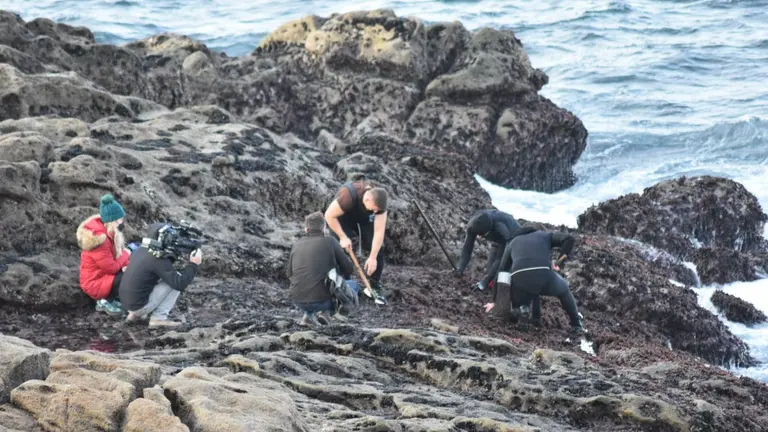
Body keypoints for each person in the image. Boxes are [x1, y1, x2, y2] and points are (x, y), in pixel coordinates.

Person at [485, 224, 586, 334]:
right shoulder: (545, 236)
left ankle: (521, 311)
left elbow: (502, 271)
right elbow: (569, 238)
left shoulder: (512, 243)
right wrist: (559, 261)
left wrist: (494, 301)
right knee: (564, 290)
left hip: (520, 279)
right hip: (544, 274)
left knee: (516, 308)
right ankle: (576, 325)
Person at [118, 223, 201, 327]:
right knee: (177, 279)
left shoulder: (141, 250)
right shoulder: (158, 258)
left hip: (126, 303)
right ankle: (158, 318)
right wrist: (194, 264)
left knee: (152, 277)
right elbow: (180, 283)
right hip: (138, 307)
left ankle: (134, 315)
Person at [287, 212, 358, 326]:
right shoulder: (330, 241)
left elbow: (289, 273)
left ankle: (308, 316)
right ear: (324, 228)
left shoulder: (297, 244)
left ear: (306, 229)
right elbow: (348, 268)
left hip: (298, 300)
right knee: (354, 285)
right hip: (322, 301)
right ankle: (328, 313)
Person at [324, 179, 388, 305]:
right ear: (368, 199)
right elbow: (329, 215)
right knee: (339, 249)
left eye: (377, 211)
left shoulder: (379, 204)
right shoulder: (348, 195)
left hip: (364, 219)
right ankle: (342, 284)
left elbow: (379, 232)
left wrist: (373, 257)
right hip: (342, 217)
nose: (376, 212)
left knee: (377, 247)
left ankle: (373, 286)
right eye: (374, 209)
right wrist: (342, 237)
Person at [76, 194, 131, 316]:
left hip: (102, 276)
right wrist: (126, 254)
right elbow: (110, 268)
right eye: (120, 219)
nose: (122, 222)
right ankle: (104, 301)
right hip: (93, 283)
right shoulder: (100, 240)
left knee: (129, 269)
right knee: (126, 275)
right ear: (113, 221)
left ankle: (111, 298)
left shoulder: (108, 233)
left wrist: (126, 263)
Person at [455, 209, 520, 291]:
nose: (480, 237)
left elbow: (500, 259)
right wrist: (459, 268)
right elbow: (467, 249)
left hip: (514, 238)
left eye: (483, 235)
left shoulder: (501, 229)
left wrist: (484, 282)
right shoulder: (473, 224)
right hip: (496, 239)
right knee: (490, 271)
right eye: (478, 235)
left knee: (501, 275)